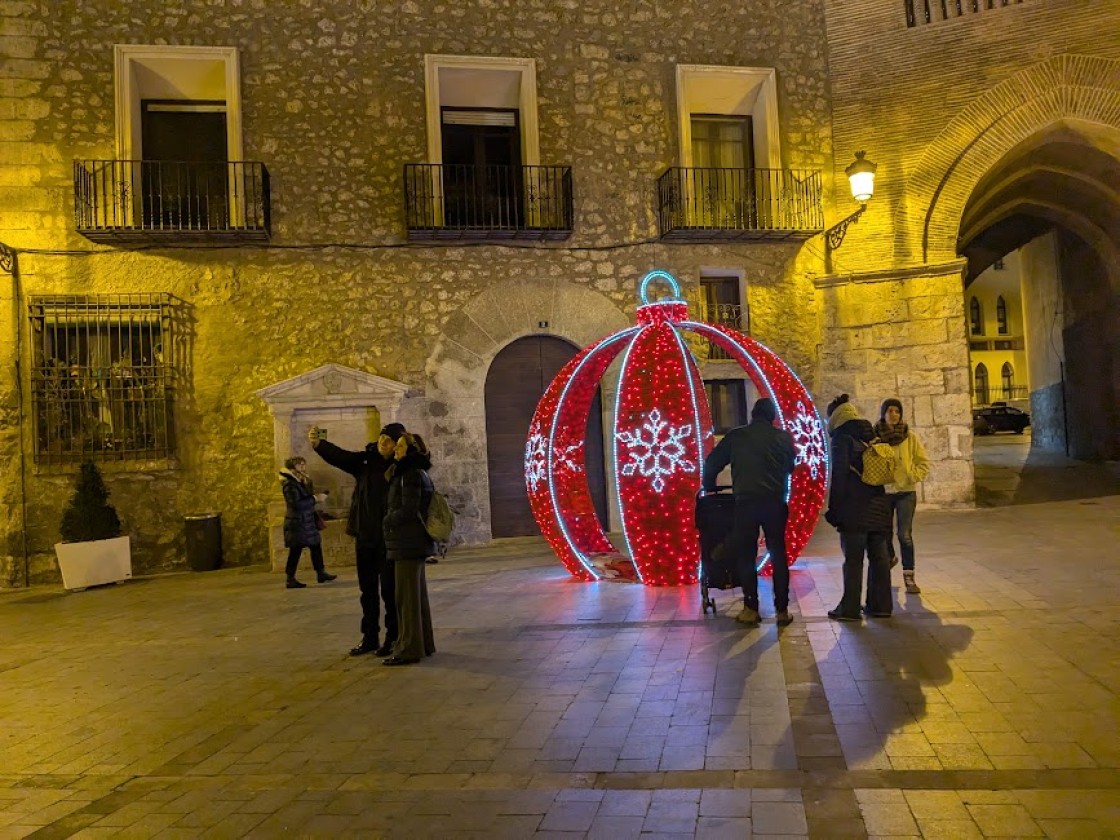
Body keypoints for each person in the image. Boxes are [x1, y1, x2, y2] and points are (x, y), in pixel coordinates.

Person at [310, 422, 405, 657]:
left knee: (390, 592)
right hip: (365, 536)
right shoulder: (365, 461)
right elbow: (341, 457)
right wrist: (319, 444)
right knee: (368, 590)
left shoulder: (400, 467)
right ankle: (370, 636)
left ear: (396, 446)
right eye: (382, 437)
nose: (384, 442)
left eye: (389, 440)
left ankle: (392, 637)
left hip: (387, 539)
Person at [701, 397, 797, 627]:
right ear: (772, 416)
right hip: (774, 502)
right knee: (778, 553)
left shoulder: (736, 436)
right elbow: (791, 467)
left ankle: (751, 608)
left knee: (746, 554)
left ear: (752, 415)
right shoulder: (782, 438)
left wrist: (710, 485)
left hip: (745, 503)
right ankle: (782, 609)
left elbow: (712, 462)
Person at [823, 394, 893, 621]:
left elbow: (840, 476)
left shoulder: (841, 438)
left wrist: (833, 510)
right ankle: (880, 605)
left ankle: (850, 608)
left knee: (853, 560)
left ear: (835, 416)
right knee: (879, 559)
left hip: (854, 510)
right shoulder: (872, 434)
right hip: (879, 506)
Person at [382, 432, 437, 666]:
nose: (396, 449)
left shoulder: (409, 474)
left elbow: (408, 509)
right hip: (412, 542)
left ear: (411, 449)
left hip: (407, 541)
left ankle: (408, 648)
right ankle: (423, 644)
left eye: (401, 446)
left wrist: (387, 519)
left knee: (406, 599)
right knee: (416, 597)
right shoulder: (415, 472)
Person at [875, 398, 930, 594]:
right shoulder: (876, 437)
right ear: (883, 413)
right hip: (885, 492)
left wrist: (911, 476)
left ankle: (909, 576)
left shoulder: (910, 437)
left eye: (897, 411)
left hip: (906, 492)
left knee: (904, 535)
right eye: (889, 411)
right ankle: (889, 558)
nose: (893, 414)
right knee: (884, 533)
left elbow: (923, 462)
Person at [279, 456, 336, 589]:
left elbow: (306, 496)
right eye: (300, 465)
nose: (303, 467)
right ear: (292, 467)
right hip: (297, 522)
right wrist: (316, 498)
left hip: (306, 520)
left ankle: (321, 573)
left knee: (315, 545)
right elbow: (296, 504)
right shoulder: (289, 484)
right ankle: (290, 578)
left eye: (304, 464)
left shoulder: (300, 481)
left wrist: (311, 488)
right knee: (296, 550)